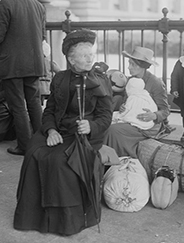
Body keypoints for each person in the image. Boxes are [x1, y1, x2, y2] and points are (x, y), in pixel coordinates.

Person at [13, 29, 113, 235]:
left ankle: (64, 222)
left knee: (60, 161)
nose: (90, 59)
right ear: (71, 59)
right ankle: (34, 217)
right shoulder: (60, 78)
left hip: (85, 135)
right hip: (59, 129)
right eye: (85, 56)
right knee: (34, 151)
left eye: (91, 55)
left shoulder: (100, 81)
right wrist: (50, 130)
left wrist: (91, 126)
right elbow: (49, 110)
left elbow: (106, 116)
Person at [103, 46, 170, 158]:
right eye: (129, 63)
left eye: (133, 64)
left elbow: (165, 110)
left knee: (112, 130)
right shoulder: (130, 80)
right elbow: (128, 102)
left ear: (142, 66)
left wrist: (153, 115)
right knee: (105, 125)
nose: (129, 67)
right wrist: (123, 107)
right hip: (130, 119)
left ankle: (115, 159)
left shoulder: (155, 83)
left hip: (147, 125)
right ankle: (107, 159)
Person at [0, 0, 46, 155]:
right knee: (34, 103)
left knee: (18, 105)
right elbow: (42, 35)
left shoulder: (5, 4)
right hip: (34, 62)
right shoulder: (38, 5)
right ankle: (42, 142)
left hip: (12, 64)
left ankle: (24, 146)